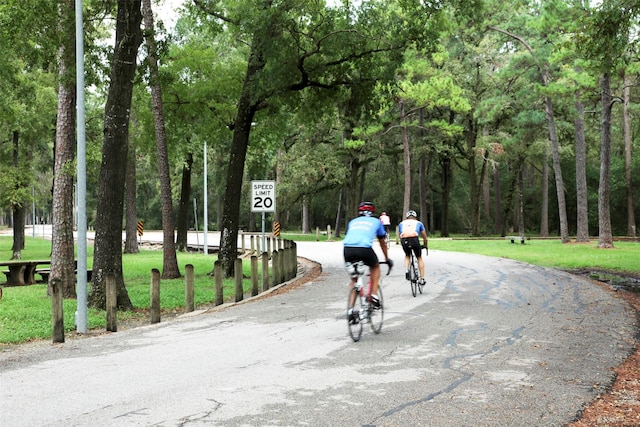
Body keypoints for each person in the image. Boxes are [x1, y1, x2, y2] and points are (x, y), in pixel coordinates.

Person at [343, 202, 393, 320]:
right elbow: (382, 242)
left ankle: (350, 310)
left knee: (354, 280)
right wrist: (387, 259)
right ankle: (374, 295)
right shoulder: (376, 222)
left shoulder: (353, 222)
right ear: (373, 212)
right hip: (364, 249)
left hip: (347, 250)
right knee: (375, 267)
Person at [398, 210, 429, 285]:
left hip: (404, 239)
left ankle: (407, 270)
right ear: (415, 217)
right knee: (419, 257)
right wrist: (425, 245)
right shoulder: (418, 223)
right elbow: (425, 237)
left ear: (407, 217)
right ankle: (422, 279)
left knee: (407, 255)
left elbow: (400, 235)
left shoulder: (401, 223)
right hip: (414, 239)